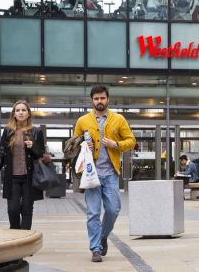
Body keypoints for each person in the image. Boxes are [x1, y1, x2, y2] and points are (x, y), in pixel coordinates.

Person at [73, 85, 135, 263]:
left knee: (113, 209)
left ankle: (103, 236)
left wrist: (116, 145)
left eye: (102, 98)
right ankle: (95, 249)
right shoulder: (83, 120)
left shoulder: (118, 119)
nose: (99, 101)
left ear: (108, 99)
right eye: (96, 99)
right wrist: (84, 145)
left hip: (111, 174)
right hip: (91, 174)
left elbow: (131, 140)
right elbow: (73, 143)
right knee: (92, 213)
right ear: (92, 100)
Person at [0, 101, 45, 229]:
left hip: (29, 178)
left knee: (26, 209)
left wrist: (33, 147)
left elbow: (41, 153)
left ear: (28, 113)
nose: (20, 112)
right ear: (14, 114)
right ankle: (15, 235)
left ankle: (24, 240)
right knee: (13, 209)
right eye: (17, 110)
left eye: (23, 110)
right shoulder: (8, 131)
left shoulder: (36, 131)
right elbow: (1, 153)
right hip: (12, 178)